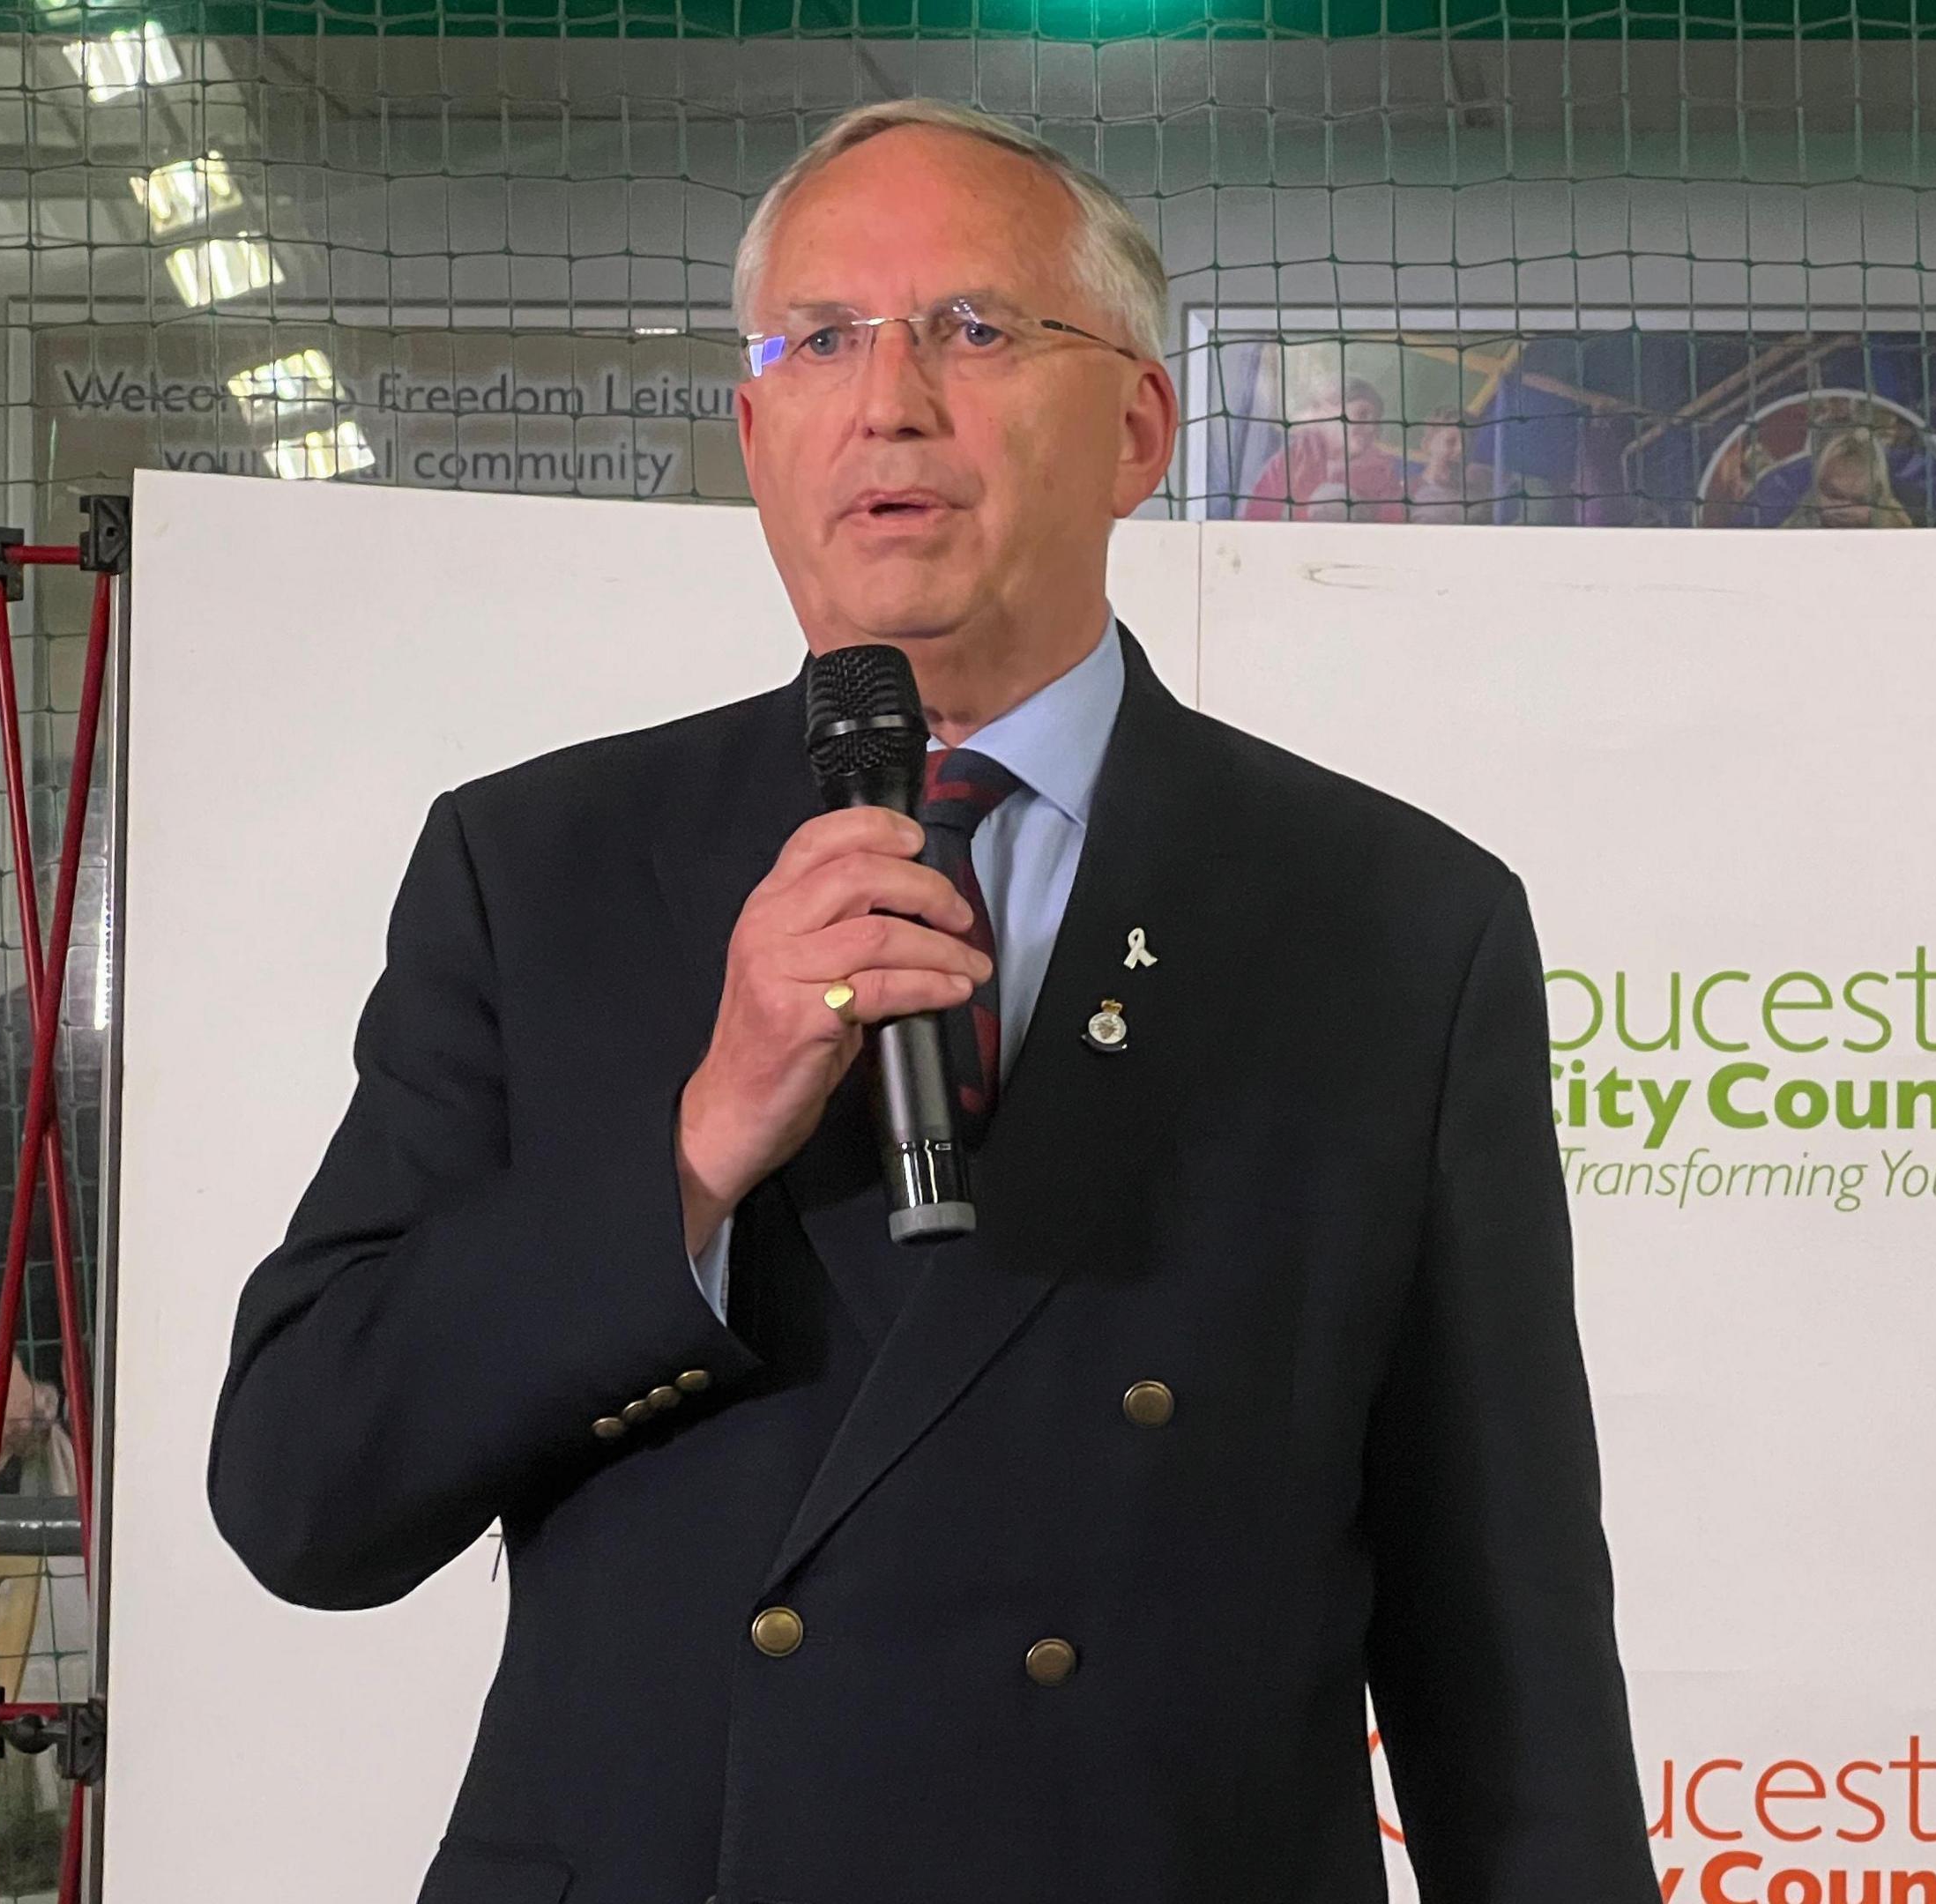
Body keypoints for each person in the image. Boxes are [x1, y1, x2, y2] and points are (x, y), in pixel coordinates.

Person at [208, 98, 1657, 1904]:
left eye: (973, 329)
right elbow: (303, 1494)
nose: (890, 398)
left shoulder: (1393, 923)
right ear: (757, 436)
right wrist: (697, 1143)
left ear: (1136, 427)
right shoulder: (539, 869)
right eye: (820, 340)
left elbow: (1500, 1626)